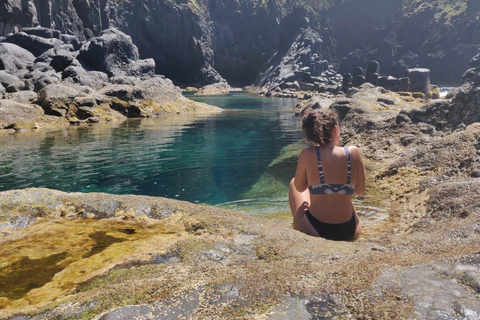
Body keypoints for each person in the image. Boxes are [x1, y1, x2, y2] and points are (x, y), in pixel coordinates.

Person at [289, 108, 365, 240]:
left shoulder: (307, 153)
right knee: (343, 192)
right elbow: (360, 191)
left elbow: (300, 187)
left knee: (293, 182)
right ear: (335, 129)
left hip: (315, 229)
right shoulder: (353, 152)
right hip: (350, 230)